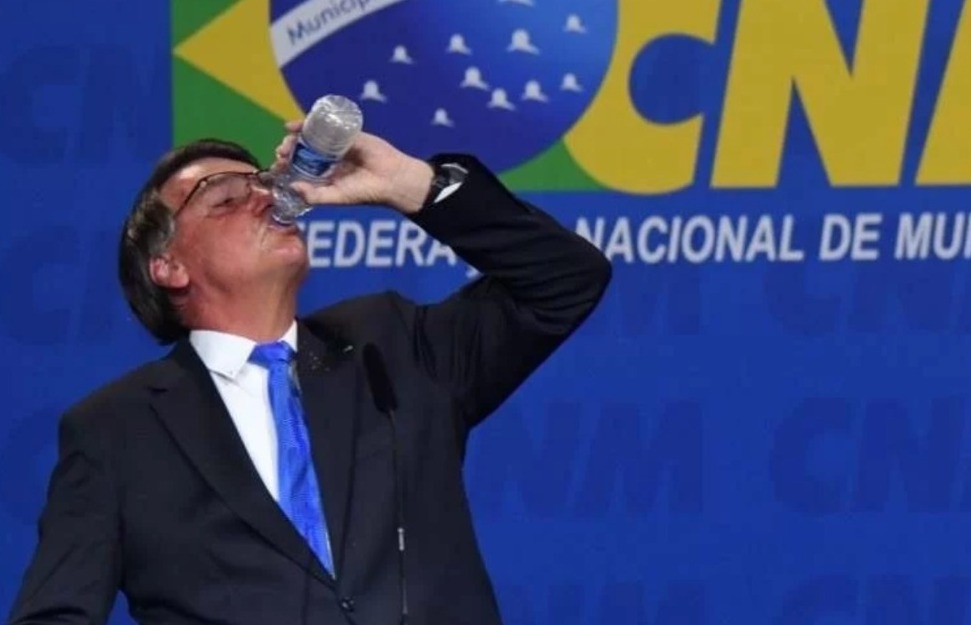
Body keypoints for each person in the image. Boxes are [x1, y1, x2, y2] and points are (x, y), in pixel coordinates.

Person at [6, 122, 611, 625]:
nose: (268, 198)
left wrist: (409, 184)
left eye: (264, 184)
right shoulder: (115, 430)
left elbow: (566, 279)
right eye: (225, 199)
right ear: (167, 267)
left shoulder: (392, 345)